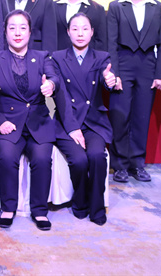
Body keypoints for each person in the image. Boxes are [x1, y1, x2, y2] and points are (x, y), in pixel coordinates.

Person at [0, 10, 60, 231]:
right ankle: (8, 208)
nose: (17, 33)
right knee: (7, 158)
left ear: (30, 31)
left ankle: (40, 211)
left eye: (22, 28)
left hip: (38, 122)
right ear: (5, 32)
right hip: (8, 123)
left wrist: (51, 85)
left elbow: (54, 77)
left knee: (42, 159)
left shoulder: (43, 56)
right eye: (12, 28)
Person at [107, 0, 161, 183]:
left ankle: (137, 164)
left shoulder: (157, 7)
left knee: (141, 117)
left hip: (147, 66)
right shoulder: (116, 6)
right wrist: (114, 73)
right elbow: (111, 43)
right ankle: (120, 166)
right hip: (122, 64)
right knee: (120, 116)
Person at [52, 13, 116, 226]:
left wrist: (110, 81)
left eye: (85, 28)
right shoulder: (57, 58)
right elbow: (60, 95)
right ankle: (80, 202)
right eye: (75, 29)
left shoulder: (102, 57)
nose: (80, 33)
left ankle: (97, 207)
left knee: (97, 156)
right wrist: (72, 128)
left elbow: (107, 79)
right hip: (67, 121)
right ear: (68, 32)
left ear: (92, 32)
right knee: (79, 160)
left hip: (94, 122)